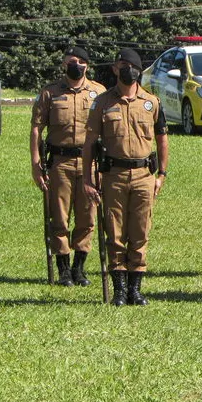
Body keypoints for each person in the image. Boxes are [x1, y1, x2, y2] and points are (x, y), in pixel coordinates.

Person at [82, 48, 169, 306]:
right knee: (115, 231)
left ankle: (135, 288)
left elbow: (162, 139)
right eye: (121, 65)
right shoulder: (102, 102)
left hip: (144, 175)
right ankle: (119, 288)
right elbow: (89, 142)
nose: (125, 70)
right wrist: (88, 178)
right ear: (114, 70)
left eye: (130, 65)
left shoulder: (151, 103)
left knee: (140, 231)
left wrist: (161, 174)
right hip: (113, 175)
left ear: (138, 70)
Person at [30, 47, 106, 286]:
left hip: (89, 164)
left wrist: (104, 168)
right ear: (64, 64)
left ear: (88, 66)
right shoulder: (50, 92)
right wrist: (35, 163)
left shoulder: (99, 92)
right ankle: (63, 269)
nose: (77, 65)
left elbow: (108, 131)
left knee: (87, 217)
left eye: (82, 61)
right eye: (72, 61)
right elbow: (36, 128)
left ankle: (79, 269)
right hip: (59, 163)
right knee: (59, 218)